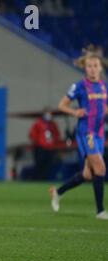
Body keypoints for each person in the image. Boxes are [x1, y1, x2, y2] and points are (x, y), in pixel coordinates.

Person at [50, 46, 108, 220]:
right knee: (101, 168)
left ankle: (58, 193)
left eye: (95, 65)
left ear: (100, 67)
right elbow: (62, 105)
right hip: (86, 133)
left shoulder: (104, 86)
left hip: (99, 134)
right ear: (85, 67)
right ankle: (100, 211)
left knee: (88, 174)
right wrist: (75, 112)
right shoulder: (80, 86)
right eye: (89, 65)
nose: (92, 68)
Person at [29, 107, 62, 180]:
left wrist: (55, 142)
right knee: (40, 164)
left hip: (50, 147)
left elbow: (57, 134)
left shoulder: (53, 124)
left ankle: (44, 178)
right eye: (47, 113)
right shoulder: (38, 123)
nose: (49, 115)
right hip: (40, 147)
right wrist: (38, 142)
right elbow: (32, 134)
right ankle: (37, 179)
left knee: (48, 165)